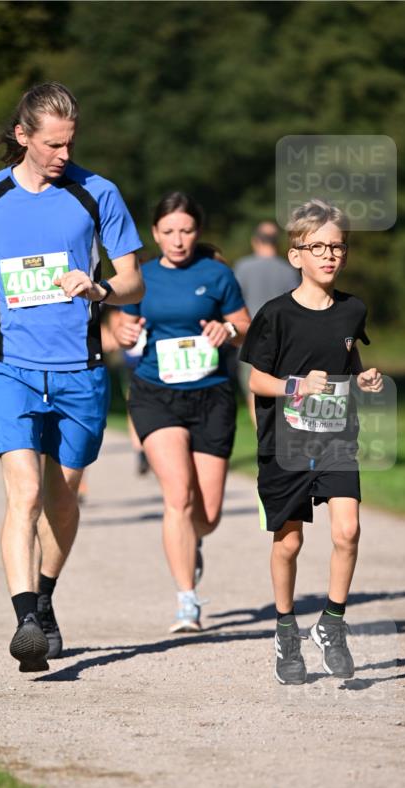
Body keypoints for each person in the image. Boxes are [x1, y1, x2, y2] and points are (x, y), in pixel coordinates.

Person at [0, 82, 143, 672]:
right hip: (7, 367)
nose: (64, 154)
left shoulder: (97, 193)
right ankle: (25, 621)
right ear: (23, 137)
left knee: (63, 499)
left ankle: (47, 595)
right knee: (25, 493)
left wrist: (101, 287)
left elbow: (134, 278)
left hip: (81, 370)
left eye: (70, 143)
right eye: (53, 144)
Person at [239, 199, 383, 685]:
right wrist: (297, 386)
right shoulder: (275, 315)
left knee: (348, 531)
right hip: (287, 444)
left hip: (338, 437)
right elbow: (257, 381)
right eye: (317, 246)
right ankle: (285, 628)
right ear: (295, 254)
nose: (329, 255)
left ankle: (333, 622)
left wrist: (362, 380)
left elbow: (347, 362)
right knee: (290, 542)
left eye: (337, 246)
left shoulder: (353, 309)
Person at [117, 192, 250, 632]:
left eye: (187, 230)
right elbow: (121, 326)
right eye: (169, 231)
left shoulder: (217, 275)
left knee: (206, 516)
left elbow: (247, 327)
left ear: (198, 232)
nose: (178, 240)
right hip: (156, 393)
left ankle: (192, 543)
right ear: (154, 234)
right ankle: (187, 601)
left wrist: (227, 328)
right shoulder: (140, 277)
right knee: (178, 496)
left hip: (210, 397)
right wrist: (121, 329)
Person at [233, 222, 298, 427]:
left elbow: (233, 303)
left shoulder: (242, 267)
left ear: (255, 241)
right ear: (277, 243)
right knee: (283, 391)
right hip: (284, 341)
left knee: (254, 391)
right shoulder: (289, 270)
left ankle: (263, 437)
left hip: (251, 341)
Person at [100, 304, 149, 476]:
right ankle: (141, 452)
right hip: (132, 363)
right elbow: (110, 340)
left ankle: (146, 449)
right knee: (134, 408)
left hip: (154, 358)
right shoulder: (118, 302)